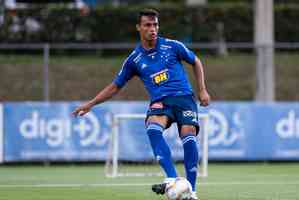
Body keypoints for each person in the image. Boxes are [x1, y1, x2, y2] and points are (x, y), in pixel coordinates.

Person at [72, 8, 210, 200]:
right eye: (147, 25)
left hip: (184, 98)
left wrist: (202, 89)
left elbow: (196, 61)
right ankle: (171, 178)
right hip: (161, 102)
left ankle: (191, 191)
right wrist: (91, 103)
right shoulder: (134, 59)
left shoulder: (173, 46)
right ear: (139, 27)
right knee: (152, 128)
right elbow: (115, 86)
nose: (152, 29)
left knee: (188, 136)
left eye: (155, 25)